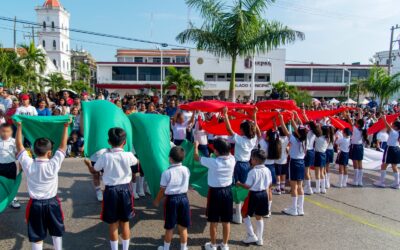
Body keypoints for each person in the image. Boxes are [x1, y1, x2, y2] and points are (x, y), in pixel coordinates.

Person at [15, 117, 70, 250]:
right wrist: (65, 127)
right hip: (52, 203)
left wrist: (19, 127)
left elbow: (19, 146)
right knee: (56, 231)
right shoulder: (53, 163)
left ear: (33, 151)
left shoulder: (28, 164)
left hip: (35, 204)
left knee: (37, 234)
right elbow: (63, 146)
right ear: (50, 153)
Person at [87, 128, 138, 250]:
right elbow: (136, 162)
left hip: (110, 191)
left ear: (109, 142)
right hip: (126, 190)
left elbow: (95, 170)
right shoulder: (129, 155)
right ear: (124, 142)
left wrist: (89, 165)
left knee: (113, 223)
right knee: (125, 222)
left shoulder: (105, 156)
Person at [194, 138, 235, 250]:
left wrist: (196, 147)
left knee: (214, 220)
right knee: (226, 221)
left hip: (215, 193)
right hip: (228, 191)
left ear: (216, 151)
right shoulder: (232, 159)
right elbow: (226, 153)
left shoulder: (213, 162)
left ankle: (213, 245)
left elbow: (196, 158)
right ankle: (225, 245)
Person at [223, 107, 260, 224]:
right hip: (247, 165)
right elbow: (255, 126)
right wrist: (254, 115)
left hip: (238, 165)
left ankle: (238, 214)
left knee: (237, 188)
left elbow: (229, 129)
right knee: (244, 188)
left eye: (240, 128)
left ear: (243, 130)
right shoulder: (253, 139)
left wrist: (225, 115)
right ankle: (244, 212)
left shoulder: (240, 139)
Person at [153, 146, 191, 250]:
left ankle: (166, 248)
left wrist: (157, 200)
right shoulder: (186, 170)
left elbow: (162, 190)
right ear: (182, 158)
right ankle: (183, 248)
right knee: (183, 226)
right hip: (184, 199)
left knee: (170, 226)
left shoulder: (166, 173)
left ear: (170, 158)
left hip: (172, 200)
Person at [237, 149, 272, 246]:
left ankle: (251, 235)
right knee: (259, 216)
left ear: (255, 160)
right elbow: (269, 183)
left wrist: (239, 184)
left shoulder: (252, 172)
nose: (250, 160)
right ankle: (260, 239)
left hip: (253, 194)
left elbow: (248, 186)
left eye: (251, 158)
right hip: (264, 194)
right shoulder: (267, 170)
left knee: (244, 213)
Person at [280, 112, 307, 216]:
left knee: (294, 187)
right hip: (301, 162)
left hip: (294, 162)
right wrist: (294, 117)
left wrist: (282, 119)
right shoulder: (305, 140)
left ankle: (294, 209)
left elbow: (285, 130)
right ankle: (301, 209)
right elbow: (299, 129)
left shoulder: (294, 139)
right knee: (300, 186)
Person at [258, 128, 280, 217]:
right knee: (269, 190)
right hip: (272, 168)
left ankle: (263, 209)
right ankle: (268, 210)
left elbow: (258, 132)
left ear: (267, 137)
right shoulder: (276, 144)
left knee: (263, 190)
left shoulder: (263, 143)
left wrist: (255, 119)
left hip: (264, 167)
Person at [373, 116, 400, 189]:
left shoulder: (393, 132)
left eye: (393, 125)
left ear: (396, 127)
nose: (392, 125)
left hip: (390, 149)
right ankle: (397, 184)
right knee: (394, 166)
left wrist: (384, 118)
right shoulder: (398, 133)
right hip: (397, 149)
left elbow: (387, 125)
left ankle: (381, 182)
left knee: (383, 165)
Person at [346, 109, 368, 186]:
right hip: (360, 147)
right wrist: (360, 113)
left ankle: (355, 181)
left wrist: (348, 115)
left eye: (356, 122)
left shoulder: (355, 129)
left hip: (355, 147)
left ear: (358, 124)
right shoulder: (363, 129)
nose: (355, 122)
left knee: (355, 164)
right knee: (360, 163)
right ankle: (360, 181)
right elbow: (361, 121)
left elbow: (350, 121)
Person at [0, 123, 20, 208]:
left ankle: (13, 199)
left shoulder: (13, 141)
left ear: (11, 132)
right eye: (3, 131)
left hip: (11, 165)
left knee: (11, 182)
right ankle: (2, 198)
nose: (5, 133)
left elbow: (18, 153)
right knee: (1, 183)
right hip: (0, 165)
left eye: (7, 131)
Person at [313, 125, 331, 194]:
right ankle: (323, 188)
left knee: (317, 172)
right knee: (322, 172)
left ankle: (318, 188)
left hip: (318, 154)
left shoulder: (318, 138)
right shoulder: (327, 138)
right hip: (324, 154)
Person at [274, 126, 290, 195]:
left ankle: (278, 188)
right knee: (283, 173)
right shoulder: (287, 138)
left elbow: (276, 131)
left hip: (278, 159)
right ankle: (282, 187)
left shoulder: (278, 139)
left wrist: (275, 123)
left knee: (278, 174)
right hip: (285, 158)